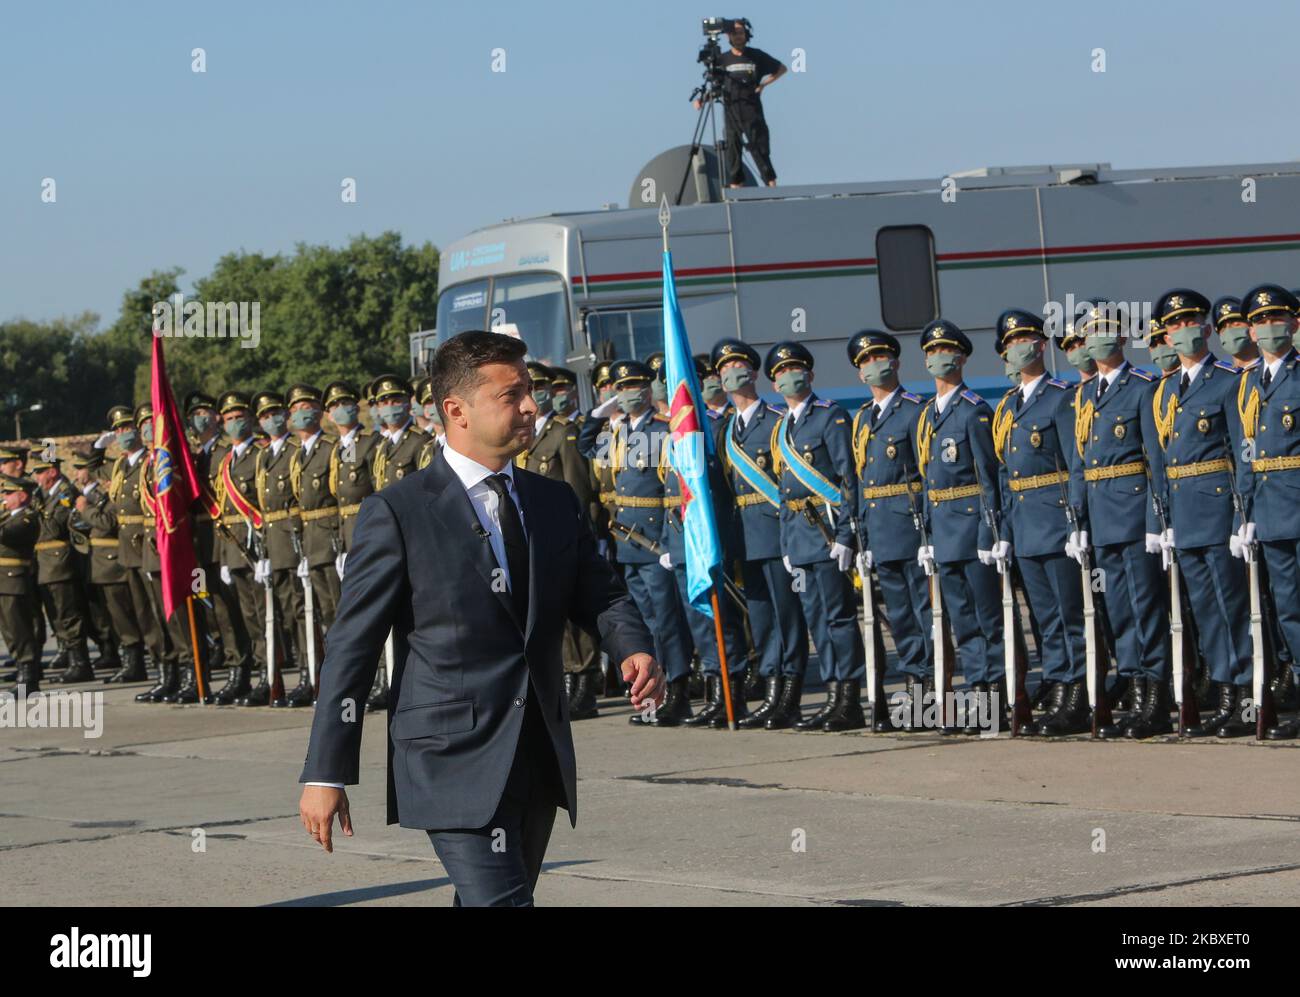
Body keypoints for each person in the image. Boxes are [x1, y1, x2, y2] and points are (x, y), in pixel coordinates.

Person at [298, 330, 662, 907]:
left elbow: (600, 591)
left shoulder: (551, 500)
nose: (530, 407)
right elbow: (352, 646)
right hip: (451, 759)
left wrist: (632, 646)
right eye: (512, 394)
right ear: (456, 410)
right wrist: (325, 771)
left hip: (538, 751)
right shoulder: (399, 511)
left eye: (530, 392)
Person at [1150, 289, 1252, 737]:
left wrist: (1240, 516)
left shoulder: (1229, 381)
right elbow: (1161, 463)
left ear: (1206, 329)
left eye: (1190, 322)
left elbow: (1242, 454)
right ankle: (1225, 690)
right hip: (1185, 513)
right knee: (1206, 609)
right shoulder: (1165, 391)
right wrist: (1163, 521)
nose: (1182, 331)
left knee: (1233, 606)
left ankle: (1247, 694)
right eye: (1174, 325)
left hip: (1216, 508)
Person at [1066, 298, 1169, 738]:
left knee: (1146, 605)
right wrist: (1078, 522)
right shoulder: (1086, 394)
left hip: (1132, 512)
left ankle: (1157, 692)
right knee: (1118, 606)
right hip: (1101, 518)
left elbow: (1155, 461)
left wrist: (1155, 520)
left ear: (1124, 337)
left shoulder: (1143, 386)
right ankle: (1132, 679)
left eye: (1105, 330)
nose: (1097, 338)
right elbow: (1079, 463)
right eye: (1091, 332)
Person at [990, 310, 1087, 735]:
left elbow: (1077, 464)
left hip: (1056, 519)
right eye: (1010, 343)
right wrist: (1004, 531)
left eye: (1025, 339)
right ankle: (1061, 682)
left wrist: (1077, 523)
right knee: (1045, 619)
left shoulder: (1062, 398)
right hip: (1026, 526)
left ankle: (1080, 693)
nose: (1017, 348)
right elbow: (1004, 474)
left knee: (1070, 614)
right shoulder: (1007, 407)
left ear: (1041, 346)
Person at [765, 341, 864, 731]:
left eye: (796, 369)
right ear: (774, 385)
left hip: (826, 537)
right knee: (816, 618)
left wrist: (845, 535)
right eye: (782, 372)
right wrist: (787, 545)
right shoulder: (782, 427)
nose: (790, 376)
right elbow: (784, 492)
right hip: (799, 541)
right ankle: (832, 692)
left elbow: (847, 480)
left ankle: (850, 698)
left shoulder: (830, 417)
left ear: (810, 374)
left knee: (839, 617)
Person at [712, 337, 809, 729]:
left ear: (752, 373)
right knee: (763, 618)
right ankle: (771, 691)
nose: (731, 374)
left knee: (787, 616)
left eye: (737, 366)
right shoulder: (724, 429)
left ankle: (791, 694)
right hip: (744, 538)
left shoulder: (775, 422)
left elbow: (787, 482)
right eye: (723, 370)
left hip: (774, 531)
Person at [914, 321, 1005, 733]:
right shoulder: (926, 416)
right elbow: (927, 479)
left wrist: (991, 532)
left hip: (972, 529)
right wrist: (928, 537)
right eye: (932, 352)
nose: (938, 358)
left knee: (989, 620)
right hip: (944, 533)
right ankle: (978, 693)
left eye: (947, 351)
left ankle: (998, 698)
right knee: (963, 622)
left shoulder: (973, 410)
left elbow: (988, 477)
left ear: (962, 358)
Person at [847, 330, 931, 730]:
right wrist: (861, 534)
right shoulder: (863, 418)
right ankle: (913, 682)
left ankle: (932, 688)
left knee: (925, 611)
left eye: (879, 357)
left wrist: (929, 534)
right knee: (900, 617)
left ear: (895, 362)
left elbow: (928, 475)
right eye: (865, 361)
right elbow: (862, 482)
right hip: (880, 530)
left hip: (910, 526)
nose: (873, 365)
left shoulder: (916, 410)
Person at [1234, 285, 1300, 738]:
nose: (1269, 327)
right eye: (1260, 321)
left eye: (1277, 318)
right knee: (1289, 609)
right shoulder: (1249, 383)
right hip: (1270, 512)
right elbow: (1246, 452)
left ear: (1294, 323)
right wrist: (1245, 513)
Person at [694, 19, 785, 188]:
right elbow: (717, 86)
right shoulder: (723, 59)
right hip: (731, 110)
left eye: (741, 32)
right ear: (729, 36)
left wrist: (764, 84)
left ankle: (771, 186)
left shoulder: (756, 55)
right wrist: (703, 100)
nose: (738, 36)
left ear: (746, 34)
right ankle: (736, 186)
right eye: (734, 33)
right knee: (733, 148)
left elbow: (781, 68)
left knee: (759, 148)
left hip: (751, 109)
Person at [0, 473, 42, 696]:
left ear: (22, 495)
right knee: (10, 632)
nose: (4, 497)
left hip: (14, 579)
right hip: (4, 581)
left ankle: (29, 679)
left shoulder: (27, 518)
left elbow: (6, 536)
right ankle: (21, 674)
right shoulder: (7, 516)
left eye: (8, 493)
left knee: (20, 631)